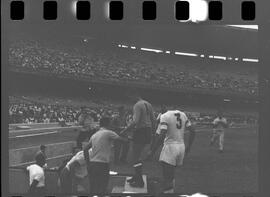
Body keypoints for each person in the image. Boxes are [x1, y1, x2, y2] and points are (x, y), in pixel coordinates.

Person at [147, 110, 196, 193]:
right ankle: (170, 191)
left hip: (170, 146)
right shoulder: (183, 114)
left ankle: (168, 192)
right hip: (181, 146)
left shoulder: (164, 116)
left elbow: (162, 134)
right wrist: (189, 147)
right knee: (171, 175)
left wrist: (152, 151)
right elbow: (193, 131)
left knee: (167, 176)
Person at [83, 116, 128, 193]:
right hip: (102, 165)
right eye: (111, 123)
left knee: (93, 188)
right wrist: (129, 138)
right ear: (107, 124)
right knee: (102, 188)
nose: (112, 125)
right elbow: (123, 140)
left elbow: (85, 149)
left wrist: (88, 163)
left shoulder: (94, 135)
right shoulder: (109, 133)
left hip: (93, 164)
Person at [120, 92, 156, 187]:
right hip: (147, 131)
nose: (130, 100)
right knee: (137, 155)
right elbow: (153, 119)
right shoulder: (148, 104)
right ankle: (136, 176)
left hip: (140, 131)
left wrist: (125, 130)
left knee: (135, 157)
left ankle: (139, 180)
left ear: (135, 96)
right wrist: (153, 132)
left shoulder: (137, 105)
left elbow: (135, 121)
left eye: (130, 98)